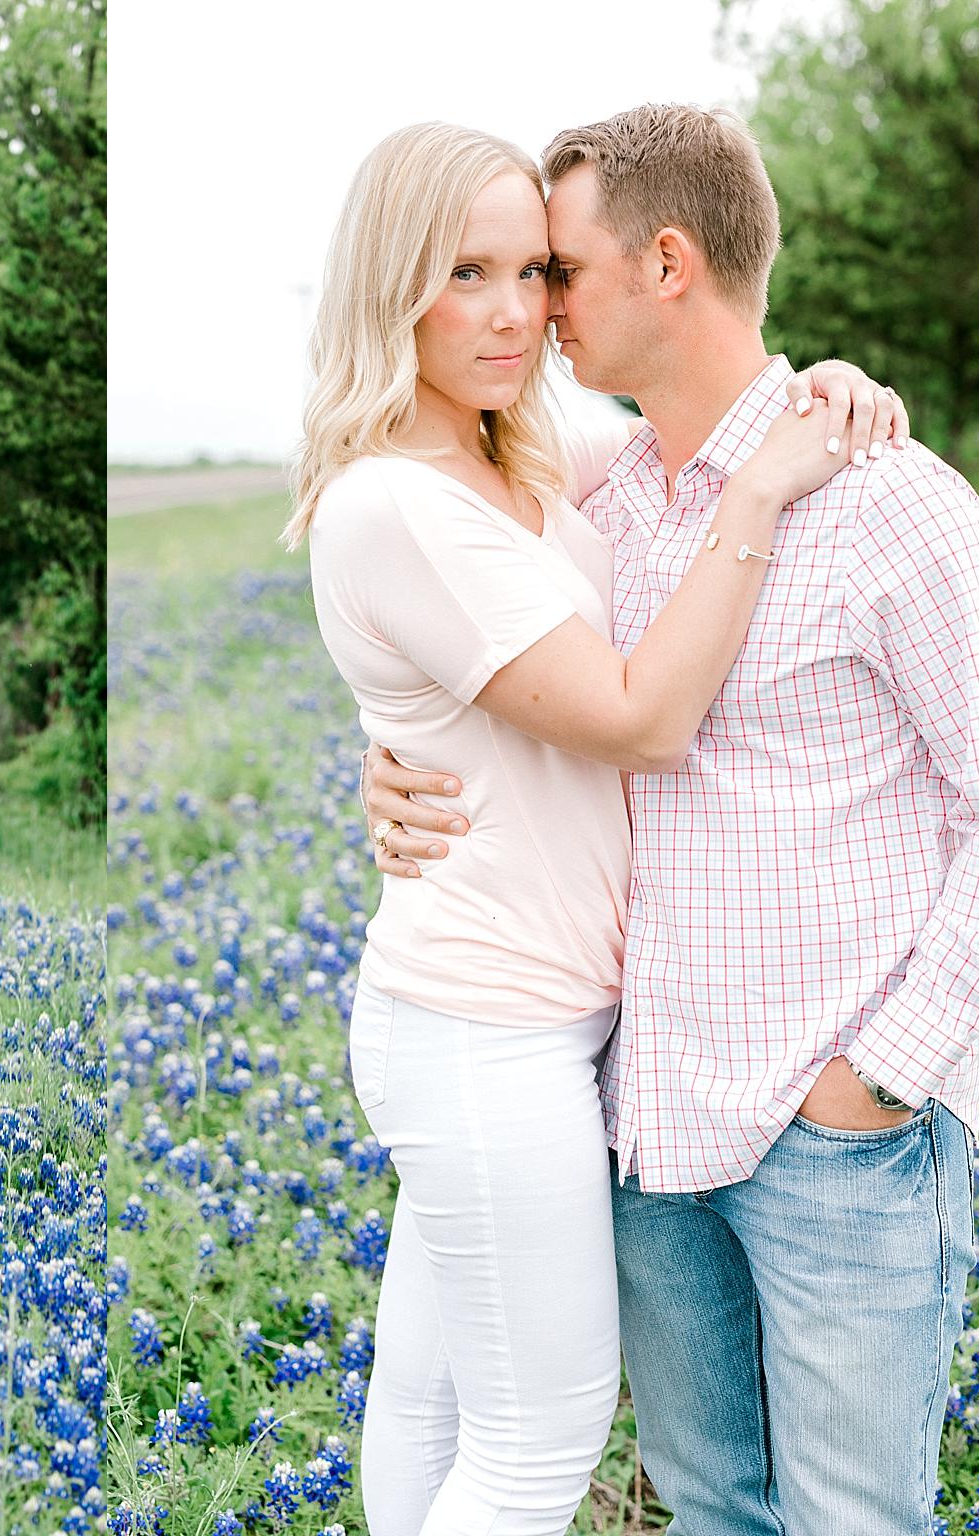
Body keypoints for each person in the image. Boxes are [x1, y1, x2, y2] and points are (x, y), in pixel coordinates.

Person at [359, 106, 979, 1535]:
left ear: (669, 264)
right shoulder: (596, 504)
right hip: (647, 1112)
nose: (535, 310)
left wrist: (883, 1073)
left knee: (854, 1518)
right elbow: (512, 685)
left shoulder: (894, 503)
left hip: (838, 1130)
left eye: (559, 272)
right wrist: (389, 766)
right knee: (707, 1508)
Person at [290, 118, 909, 1536]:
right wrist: (762, 491)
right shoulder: (393, 502)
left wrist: (824, 384)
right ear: (393, 287)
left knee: (432, 1397)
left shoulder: (528, 450)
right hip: (483, 1023)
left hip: (538, 1008)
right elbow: (637, 717)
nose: (517, 314)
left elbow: (705, 408)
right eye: (466, 274)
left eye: (536, 271)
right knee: (539, 1436)